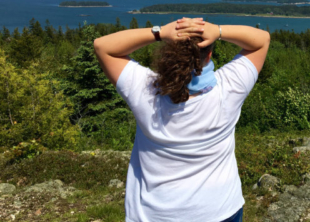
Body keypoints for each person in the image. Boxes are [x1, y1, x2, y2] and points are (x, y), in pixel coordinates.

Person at [94, 17, 270, 222]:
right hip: (220, 210)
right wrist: (218, 31)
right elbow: (262, 40)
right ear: (210, 54)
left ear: (169, 52)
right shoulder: (229, 88)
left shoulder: (146, 92)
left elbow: (102, 45)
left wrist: (160, 33)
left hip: (157, 215)